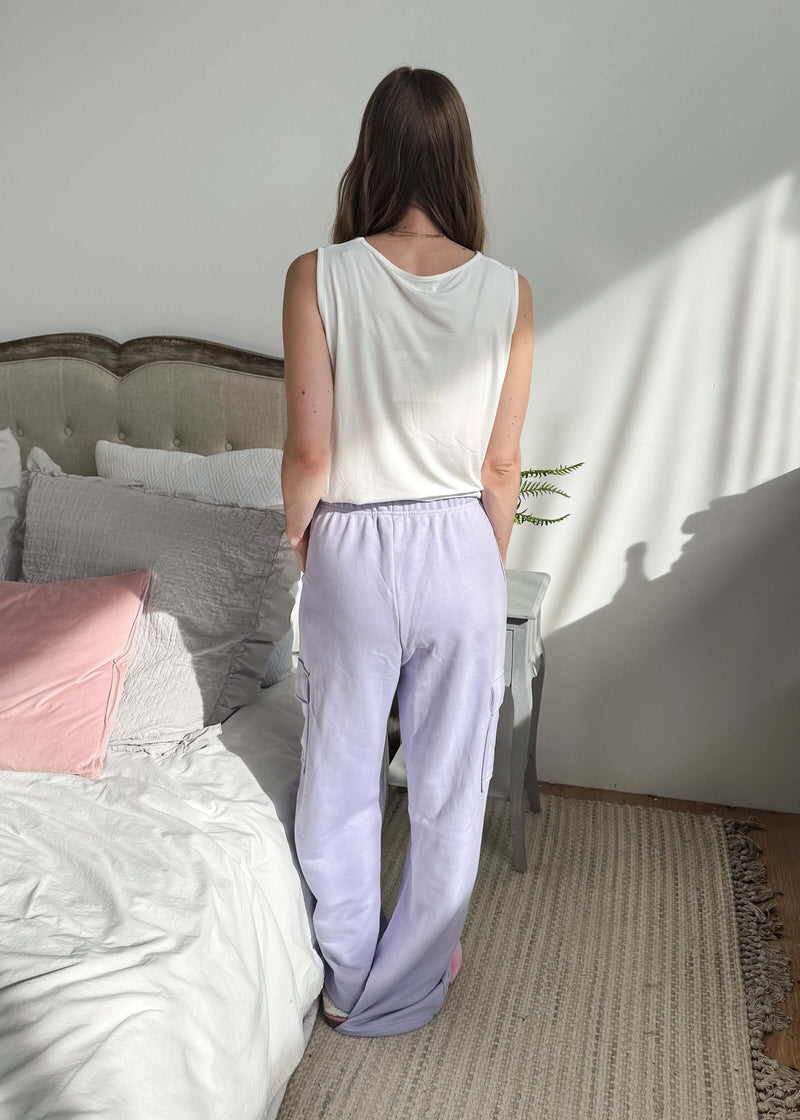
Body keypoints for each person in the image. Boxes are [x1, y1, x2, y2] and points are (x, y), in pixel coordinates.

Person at [280, 65, 534, 1037]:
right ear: (458, 159)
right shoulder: (508, 292)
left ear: (370, 154)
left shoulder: (318, 274)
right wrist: (479, 561)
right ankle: (415, 979)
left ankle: (348, 977)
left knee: (339, 773)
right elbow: (501, 466)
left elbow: (309, 453)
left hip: (351, 540)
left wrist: (304, 541)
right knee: (447, 784)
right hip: (460, 543)